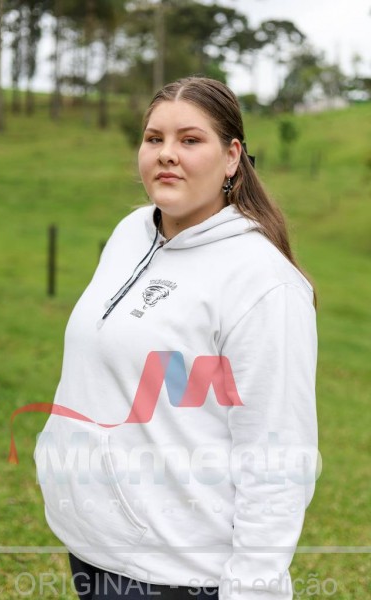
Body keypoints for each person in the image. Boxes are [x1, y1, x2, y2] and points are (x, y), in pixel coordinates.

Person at [34, 76, 318, 600]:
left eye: (189, 140)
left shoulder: (264, 284)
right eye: (154, 138)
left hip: (175, 572)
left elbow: (278, 459)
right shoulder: (132, 232)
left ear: (232, 157)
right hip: (96, 545)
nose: (167, 153)